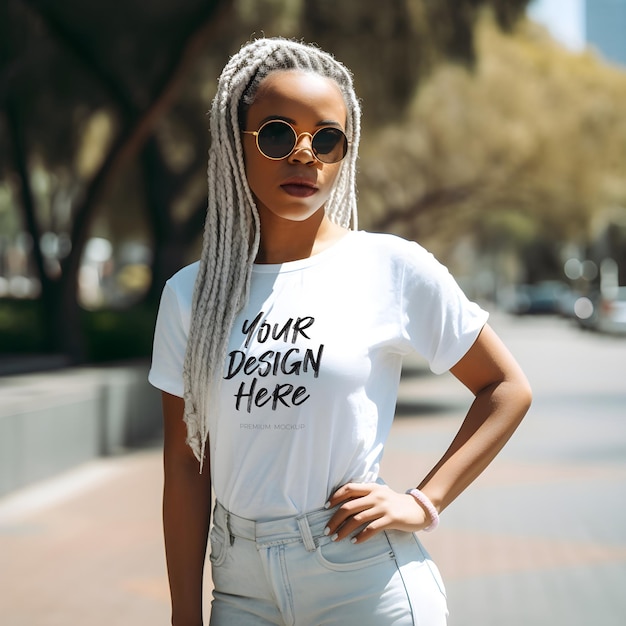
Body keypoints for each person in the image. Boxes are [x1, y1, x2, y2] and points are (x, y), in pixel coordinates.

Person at [148, 37, 532, 626]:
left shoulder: (391, 268)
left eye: (327, 138)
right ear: (236, 143)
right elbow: (184, 462)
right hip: (241, 584)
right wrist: (183, 614)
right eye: (277, 133)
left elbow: (505, 388)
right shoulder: (189, 295)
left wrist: (422, 503)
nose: (304, 154)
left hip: (362, 579)